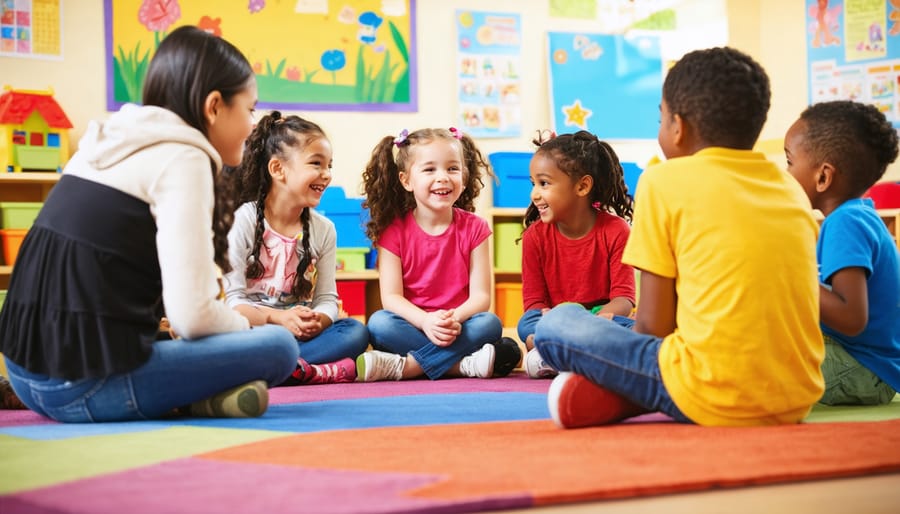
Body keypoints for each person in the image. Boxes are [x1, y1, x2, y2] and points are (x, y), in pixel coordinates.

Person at [0, 26, 299, 423]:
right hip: (80, 386)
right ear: (214, 107)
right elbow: (192, 317)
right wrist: (243, 329)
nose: (250, 125)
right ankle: (196, 398)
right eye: (250, 109)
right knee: (278, 347)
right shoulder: (183, 158)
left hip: (22, 373)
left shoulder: (106, 142)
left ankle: (196, 400)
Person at [535, 46, 824, 428]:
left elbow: (654, 329)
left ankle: (632, 392)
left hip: (709, 391)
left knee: (556, 325)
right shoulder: (789, 190)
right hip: (796, 396)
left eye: (660, 118)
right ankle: (614, 396)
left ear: (678, 126)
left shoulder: (663, 180)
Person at [357, 127, 520, 381]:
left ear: (464, 178)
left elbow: (481, 297)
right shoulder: (393, 231)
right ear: (406, 180)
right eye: (430, 169)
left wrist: (453, 319)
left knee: (489, 324)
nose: (443, 177)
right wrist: (425, 322)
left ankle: (410, 367)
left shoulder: (476, 228)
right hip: (413, 325)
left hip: (459, 326)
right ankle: (462, 366)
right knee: (380, 323)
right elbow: (391, 298)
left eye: (452, 169)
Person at [225, 111, 369, 385]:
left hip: (301, 337)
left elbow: (327, 299)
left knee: (355, 331)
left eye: (329, 165)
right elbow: (232, 303)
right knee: (238, 338)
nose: (326, 175)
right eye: (316, 163)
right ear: (278, 169)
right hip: (256, 331)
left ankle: (280, 370)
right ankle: (300, 369)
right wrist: (278, 318)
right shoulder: (243, 220)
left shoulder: (324, 229)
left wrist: (317, 320)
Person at [784, 100, 900, 405]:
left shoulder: (845, 222)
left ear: (823, 176)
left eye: (789, 161)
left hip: (864, 368)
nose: (785, 174)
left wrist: (791, 275)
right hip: (867, 365)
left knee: (760, 359)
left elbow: (851, 317)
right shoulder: (856, 217)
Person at [517, 130, 636, 379]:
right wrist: (556, 317)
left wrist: (596, 318)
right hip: (553, 319)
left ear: (582, 186)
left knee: (636, 327)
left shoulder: (616, 231)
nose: (534, 194)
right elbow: (534, 304)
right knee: (526, 324)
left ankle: (555, 354)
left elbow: (624, 299)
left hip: (597, 319)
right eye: (533, 184)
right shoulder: (534, 237)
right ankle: (587, 355)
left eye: (544, 183)